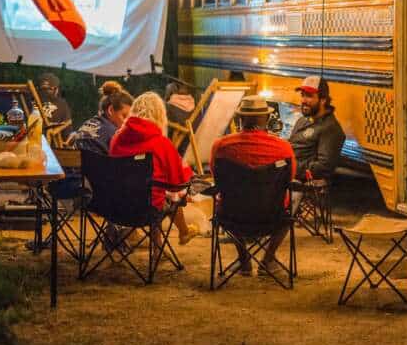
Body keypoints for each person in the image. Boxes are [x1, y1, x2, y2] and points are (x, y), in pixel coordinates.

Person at [210, 95, 295, 276]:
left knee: (228, 198)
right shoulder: (284, 148)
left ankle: (244, 261)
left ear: (239, 119)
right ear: (266, 119)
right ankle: (267, 260)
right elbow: (289, 178)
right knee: (291, 207)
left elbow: (216, 177)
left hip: (232, 216)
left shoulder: (220, 146)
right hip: (273, 217)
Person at [109, 92, 198, 245]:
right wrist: (188, 173)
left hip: (116, 205)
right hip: (147, 209)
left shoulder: (117, 138)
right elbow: (177, 182)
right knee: (163, 193)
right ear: (160, 115)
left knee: (153, 188)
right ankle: (183, 232)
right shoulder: (161, 143)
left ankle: (157, 244)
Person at [289, 76, 345, 181]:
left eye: (309, 96)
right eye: (302, 95)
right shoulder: (303, 120)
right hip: (290, 178)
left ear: (323, 100)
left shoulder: (330, 128)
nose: (303, 100)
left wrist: (290, 166)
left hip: (305, 188)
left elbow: (324, 168)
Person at [69, 81, 133, 154]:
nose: (127, 122)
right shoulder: (115, 134)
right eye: (124, 116)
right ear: (110, 110)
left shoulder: (86, 124)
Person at [36, 73, 73, 141]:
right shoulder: (61, 103)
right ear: (56, 89)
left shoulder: (33, 101)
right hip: (50, 142)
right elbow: (67, 127)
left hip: (37, 140)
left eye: (46, 89)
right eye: (44, 89)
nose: (45, 91)